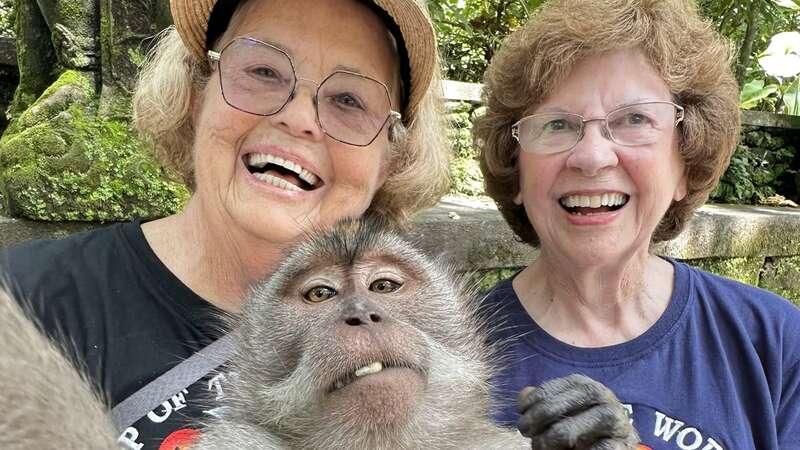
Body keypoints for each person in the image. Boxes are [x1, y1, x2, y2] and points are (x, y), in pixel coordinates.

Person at [0, 0, 449, 448]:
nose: (299, 118)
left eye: (349, 100)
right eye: (263, 72)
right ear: (196, 97)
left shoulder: (416, 352)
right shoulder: (19, 304)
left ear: (389, 162)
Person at [475, 0, 800, 449]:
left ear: (685, 164)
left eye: (634, 119)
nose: (591, 157)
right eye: (555, 124)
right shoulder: (445, 352)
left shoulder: (775, 342)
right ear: (516, 172)